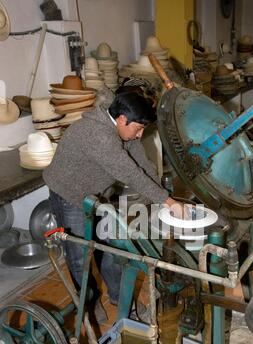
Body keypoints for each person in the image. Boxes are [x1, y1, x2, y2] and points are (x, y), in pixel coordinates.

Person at [43, 90, 184, 322]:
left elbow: (141, 164)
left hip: (95, 193)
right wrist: (166, 201)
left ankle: (121, 297)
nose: (139, 136)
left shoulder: (124, 130)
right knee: (80, 255)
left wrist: (163, 194)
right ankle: (89, 302)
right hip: (68, 193)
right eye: (138, 129)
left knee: (113, 248)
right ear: (121, 120)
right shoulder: (97, 135)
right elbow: (129, 173)